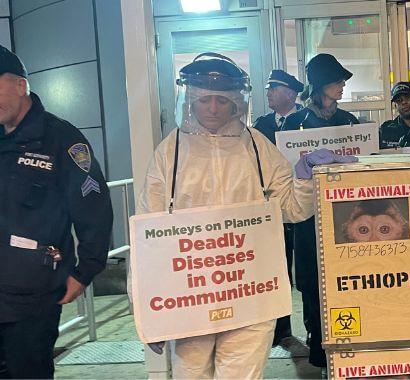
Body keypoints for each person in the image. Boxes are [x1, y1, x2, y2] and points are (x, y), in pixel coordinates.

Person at [137, 52, 354, 378]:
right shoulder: (171, 152)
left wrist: (306, 178)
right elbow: (149, 233)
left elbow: (292, 208)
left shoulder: (256, 147)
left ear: (237, 103)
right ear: (190, 100)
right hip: (191, 295)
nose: (213, 108)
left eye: (222, 100)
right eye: (205, 99)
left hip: (250, 292)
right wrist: (148, 310)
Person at [0, 44, 113, 378]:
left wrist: (85, 271)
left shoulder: (62, 140)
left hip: (32, 296)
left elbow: (94, 208)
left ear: (20, 85)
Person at [281, 53, 359, 368]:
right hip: (309, 219)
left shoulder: (350, 122)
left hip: (346, 217)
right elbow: (285, 173)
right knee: (314, 283)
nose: (342, 85)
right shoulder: (293, 124)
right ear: (320, 83)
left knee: (347, 278)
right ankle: (319, 346)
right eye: (337, 80)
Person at [251, 69, 304, 345]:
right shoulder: (260, 126)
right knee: (275, 268)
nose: (269, 93)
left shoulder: (305, 121)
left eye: (275, 88)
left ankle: (314, 328)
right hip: (271, 207)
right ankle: (280, 328)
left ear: (291, 94)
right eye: (268, 88)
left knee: (307, 272)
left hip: (304, 205)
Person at [253, 69, 304, 145]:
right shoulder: (261, 124)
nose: (268, 94)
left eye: (273, 89)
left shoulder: (307, 121)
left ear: (290, 94)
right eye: (268, 90)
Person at [379, 81, 410, 149]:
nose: (404, 102)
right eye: (399, 100)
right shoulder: (385, 130)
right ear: (395, 106)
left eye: (408, 97)